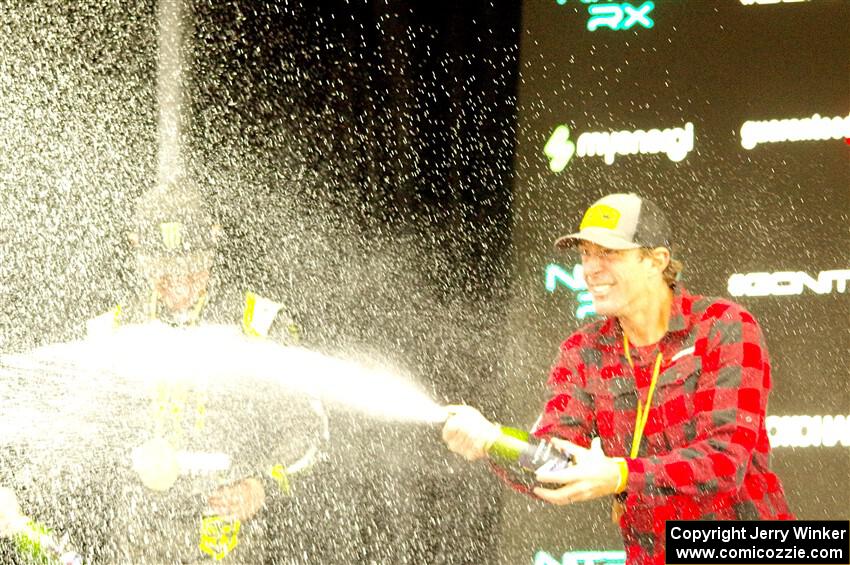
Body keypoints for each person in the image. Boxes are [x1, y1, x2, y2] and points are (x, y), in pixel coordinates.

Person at [442, 193, 793, 564]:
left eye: (608, 254)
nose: (590, 269)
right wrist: (493, 441)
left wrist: (621, 474)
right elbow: (556, 465)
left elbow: (725, 460)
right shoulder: (583, 350)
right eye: (585, 255)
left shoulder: (723, 325)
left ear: (655, 261)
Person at [79, 178, 329, 563]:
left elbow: (311, 432)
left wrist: (261, 486)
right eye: (162, 271)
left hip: (232, 545)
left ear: (213, 246)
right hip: (135, 546)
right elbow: (77, 440)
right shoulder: (110, 332)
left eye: (192, 268)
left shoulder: (258, 325)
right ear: (138, 255)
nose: (178, 285)